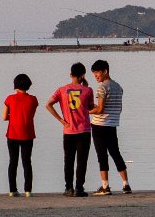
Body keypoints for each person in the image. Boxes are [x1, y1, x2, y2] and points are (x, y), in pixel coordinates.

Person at [46, 62, 95, 197]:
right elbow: (90, 107)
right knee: (82, 160)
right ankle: (79, 187)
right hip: (84, 130)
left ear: (70, 75)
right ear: (83, 75)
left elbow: (48, 104)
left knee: (68, 160)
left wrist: (61, 120)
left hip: (68, 131)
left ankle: (68, 188)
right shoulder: (88, 90)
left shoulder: (61, 90)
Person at [88, 60, 131, 195]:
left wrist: (86, 111)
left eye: (97, 73)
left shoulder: (101, 88)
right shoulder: (118, 87)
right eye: (94, 74)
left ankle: (105, 187)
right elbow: (119, 108)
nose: (95, 76)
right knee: (115, 153)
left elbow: (100, 109)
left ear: (105, 71)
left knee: (102, 155)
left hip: (99, 126)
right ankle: (126, 185)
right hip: (112, 125)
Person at [3, 73, 38, 197]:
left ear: (15, 85)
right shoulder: (33, 99)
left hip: (12, 134)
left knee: (13, 162)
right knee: (27, 162)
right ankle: (28, 190)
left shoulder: (10, 99)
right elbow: (30, 115)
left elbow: (4, 117)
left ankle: (13, 190)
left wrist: (13, 117)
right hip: (27, 134)